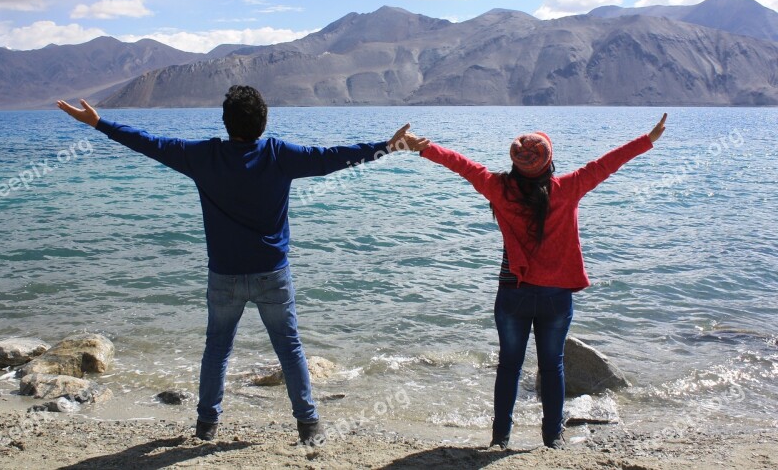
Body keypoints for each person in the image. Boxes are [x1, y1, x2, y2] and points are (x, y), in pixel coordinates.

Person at [56, 86, 426, 446]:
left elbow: (150, 143)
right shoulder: (280, 154)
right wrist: (388, 147)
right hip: (273, 275)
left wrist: (99, 123)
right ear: (263, 122)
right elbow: (332, 157)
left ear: (225, 122)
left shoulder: (203, 156)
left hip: (224, 276)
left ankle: (206, 426)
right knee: (290, 349)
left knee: (217, 349)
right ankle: (309, 426)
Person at [408, 114, 667, 449]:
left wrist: (424, 147)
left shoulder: (498, 188)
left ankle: (500, 439)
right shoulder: (569, 187)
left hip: (513, 293)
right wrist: (647, 140)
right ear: (549, 162)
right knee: (552, 367)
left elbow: (463, 165)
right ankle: (553, 439)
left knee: (509, 367)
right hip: (555, 296)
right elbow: (606, 164)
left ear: (515, 162)